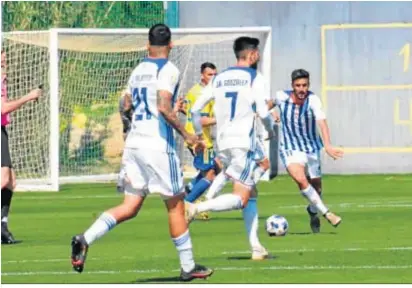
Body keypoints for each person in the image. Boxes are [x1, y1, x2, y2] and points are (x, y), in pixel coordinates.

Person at [70, 24, 213, 281]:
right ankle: (188, 266)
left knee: (131, 205)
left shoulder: (138, 70)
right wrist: (188, 135)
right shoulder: (168, 69)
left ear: (148, 46)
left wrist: (129, 126)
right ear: (170, 46)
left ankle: (84, 238)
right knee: (176, 205)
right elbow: (163, 106)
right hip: (157, 146)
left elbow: (125, 104)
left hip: (135, 145)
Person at [186, 36, 275, 260]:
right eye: (258, 53)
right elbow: (264, 113)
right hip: (243, 142)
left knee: (252, 189)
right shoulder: (255, 76)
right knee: (241, 197)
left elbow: (195, 110)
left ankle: (256, 247)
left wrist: (198, 136)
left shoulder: (220, 77)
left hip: (223, 142)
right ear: (252, 54)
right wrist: (271, 130)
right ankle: (197, 208)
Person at [268, 69, 343, 234]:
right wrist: (270, 112)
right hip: (290, 148)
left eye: (304, 85)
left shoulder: (313, 100)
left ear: (308, 85)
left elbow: (322, 122)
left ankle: (313, 211)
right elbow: (265, 105)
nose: (302, 89)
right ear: (292, 86)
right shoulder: (282, 96)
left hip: (311, 148)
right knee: (301, 180)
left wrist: (328, 145)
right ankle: (327, 213)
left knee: (317, 188)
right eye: (298, 85)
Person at [1, 49, 42, 244]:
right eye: (0, 57)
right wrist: (29, 96)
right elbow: (3, 108)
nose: (4, 60)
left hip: (2, 130)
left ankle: (2, 226)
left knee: (10, 183)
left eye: (4, 56)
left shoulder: (3, 78)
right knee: (3, 180)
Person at [180, 62, 218, 220]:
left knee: (217, 167)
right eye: (210, 75)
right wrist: (222, 119)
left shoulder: (193, 91)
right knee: (210, 174)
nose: (213, 78)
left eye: (215, 75)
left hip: (193, 136)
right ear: (202, 75)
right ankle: (187, 204)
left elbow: (187, 111)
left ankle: (190, 188)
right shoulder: (202, 93)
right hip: (201, 139)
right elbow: (202, 120)